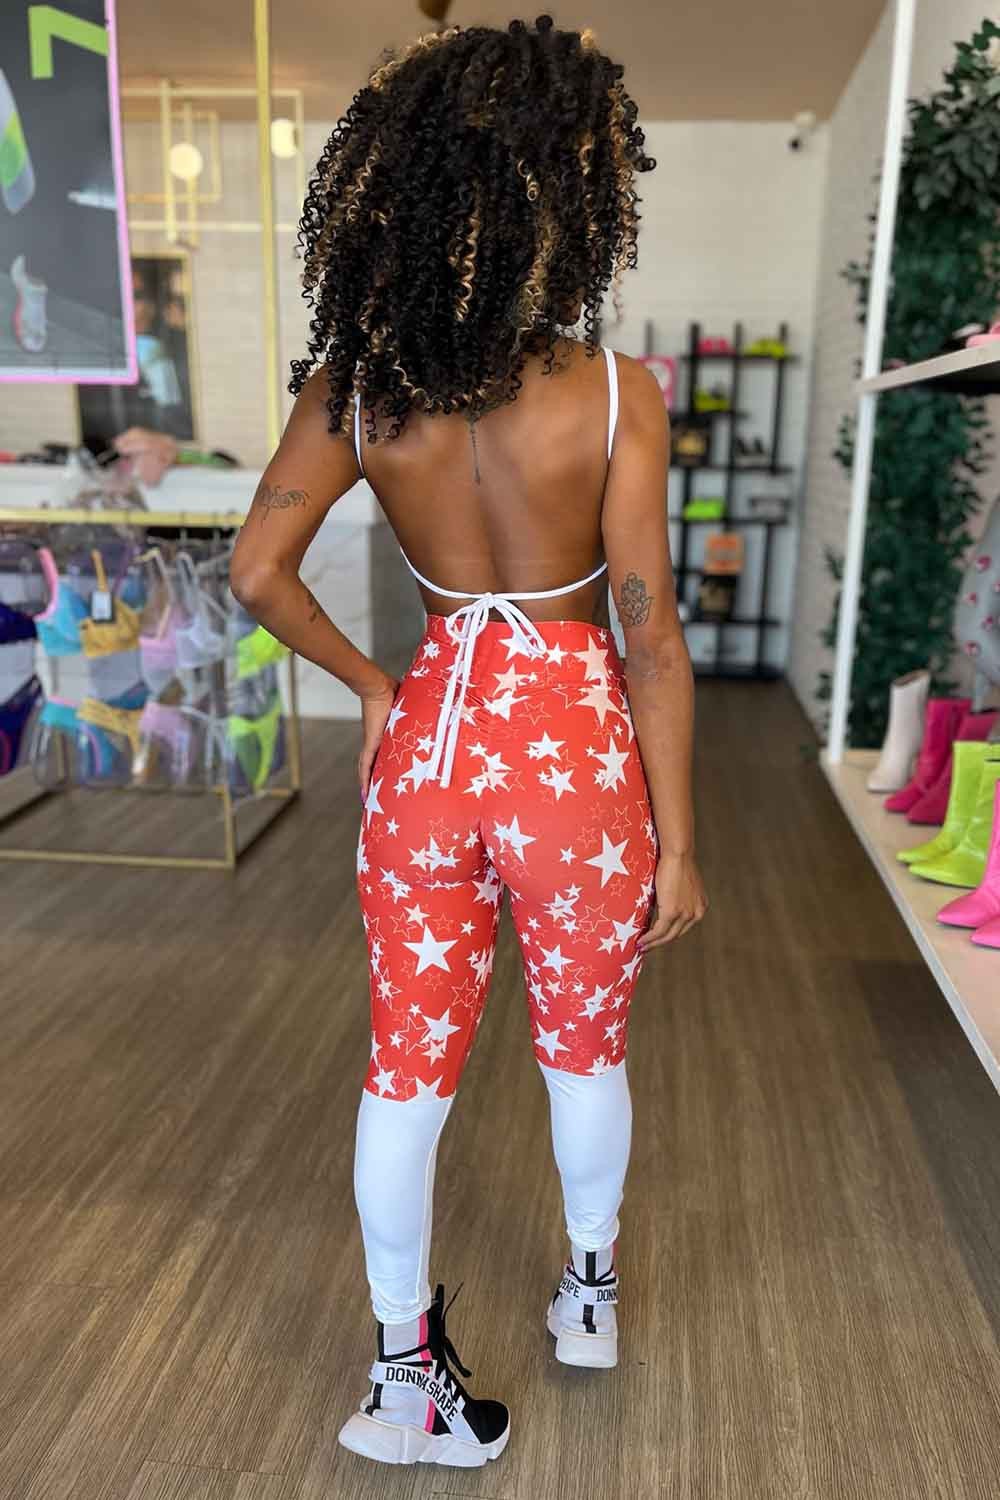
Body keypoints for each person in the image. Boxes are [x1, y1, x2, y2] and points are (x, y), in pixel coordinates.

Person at [230, 15, 706, 1470]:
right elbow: (650, 638)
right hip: (579, 772)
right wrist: (680, 844)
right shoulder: (618, 393)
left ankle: (403, 1382)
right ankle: (588, 1297)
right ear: (567, 199)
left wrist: (376, 686)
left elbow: (257, 572)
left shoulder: (360, 386)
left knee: (406, 1070)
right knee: (585, 1050)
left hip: (428, 761)